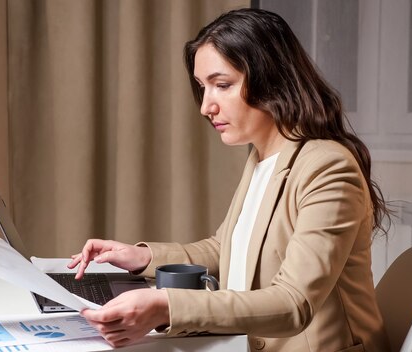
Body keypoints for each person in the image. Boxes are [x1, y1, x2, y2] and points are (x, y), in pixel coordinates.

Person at [68, 8, 391, 352]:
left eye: (222, 86)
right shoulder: (263, 156)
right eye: (202, 87)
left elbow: (293, 303)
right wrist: (141, 257)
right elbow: (227, 249)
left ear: (271, 80)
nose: (206, 106)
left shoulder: (327, 167)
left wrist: (166, 306)